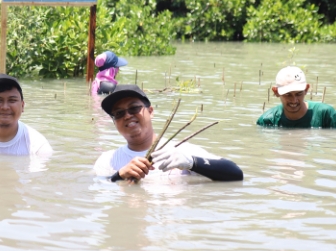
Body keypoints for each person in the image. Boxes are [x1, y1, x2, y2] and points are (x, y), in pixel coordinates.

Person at [93, 84, 243, 182]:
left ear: (150, 112)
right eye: (119, 113)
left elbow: (236, 174)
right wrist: (119, 176)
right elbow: (97, 191)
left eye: (134, 108)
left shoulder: (181, 151)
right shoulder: (108, 160)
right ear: (114, 122)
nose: (127, 116)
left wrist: (192, 163)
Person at [256, 66, 336, 128]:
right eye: (288, 94)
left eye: (299, 94)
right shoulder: (267, 121)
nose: (294, 100)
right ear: (276, 92)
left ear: (306, 89)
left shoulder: (326, 115)